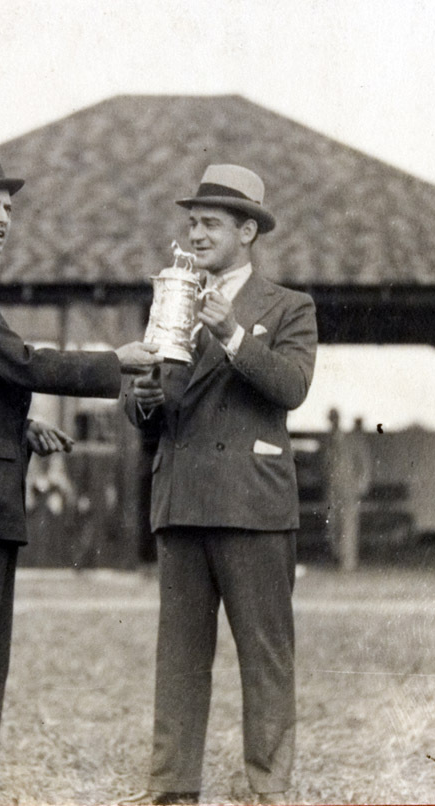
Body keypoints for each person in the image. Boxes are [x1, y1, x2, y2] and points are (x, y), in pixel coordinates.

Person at [0, 147, 160, 805]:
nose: (3, 217)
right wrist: (114, 363)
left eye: (9, 207)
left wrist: (19, 429)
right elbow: (15, 361)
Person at [122, 164, 318, 805]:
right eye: (193, 222)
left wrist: (230, 332)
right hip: (182, 502)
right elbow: (147, 404)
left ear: (248, 232)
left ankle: (269, 788)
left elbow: (291, 388)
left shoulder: (290, 307)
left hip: (253, 506)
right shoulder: (170, 298)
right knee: (178, 661)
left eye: (210, 223)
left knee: (265, 658)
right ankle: (172, 790)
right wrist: (145, 394)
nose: (196, 233)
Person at [324, 408, 361, 571]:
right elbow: (327, 466)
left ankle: (348, 562)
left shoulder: (350, 440)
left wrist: (359, 485)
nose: (333, 423)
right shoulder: (329, 442)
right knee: (334, 525)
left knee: (348, 525)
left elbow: (362, 463)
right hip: (333, 489)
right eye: (331, 420)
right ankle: (338, 558)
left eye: (335, 419)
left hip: (348, 489)